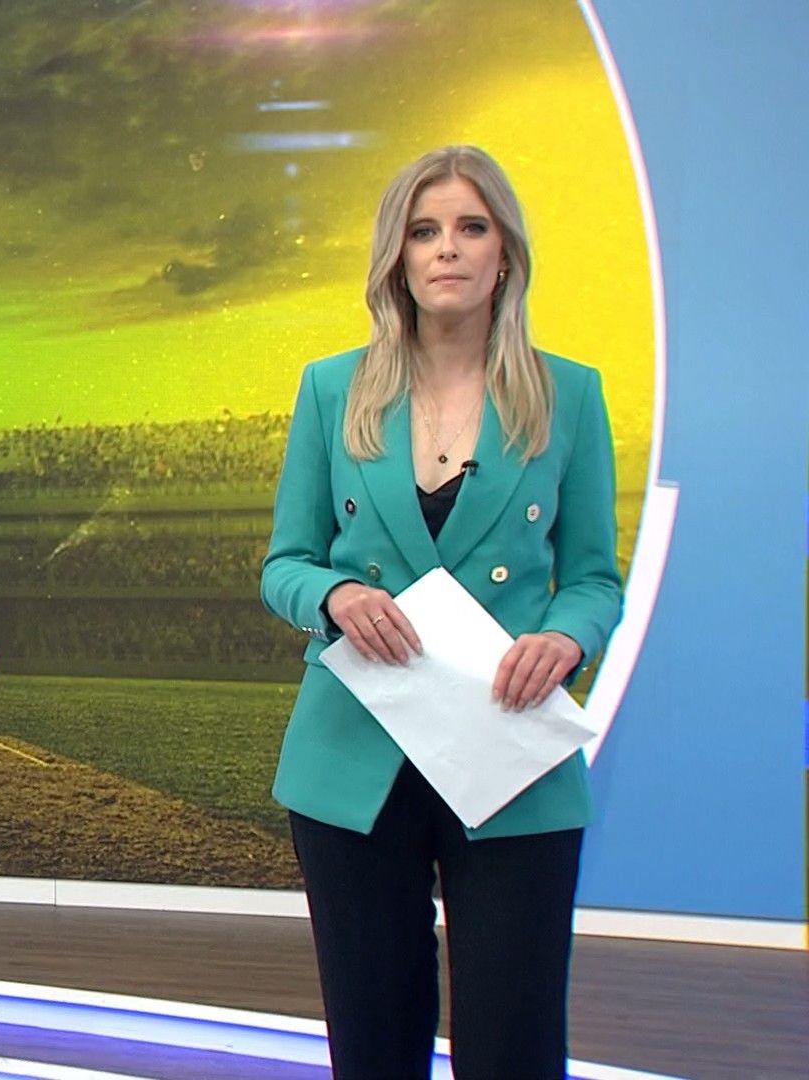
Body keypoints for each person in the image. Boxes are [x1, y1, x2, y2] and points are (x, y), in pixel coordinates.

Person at [260, 146, 623, 1078]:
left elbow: (594, 579)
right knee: (374, 1047)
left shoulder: (570, 394)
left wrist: (566, 636)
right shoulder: (331, 389)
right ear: (398, 257)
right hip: (355, 758)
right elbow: (285, 565)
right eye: (424, 231)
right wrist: (334, 595)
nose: (447, 248)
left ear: (506, 254)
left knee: (514, 1047)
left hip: (509, 753)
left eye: (471, 227)